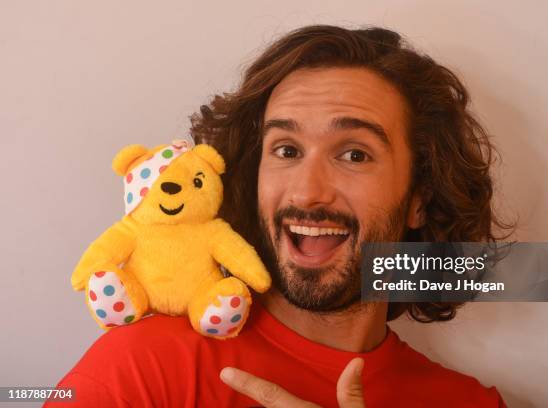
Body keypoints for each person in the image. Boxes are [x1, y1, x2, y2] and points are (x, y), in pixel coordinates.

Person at [47, 25, 510, 407]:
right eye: (286, 150)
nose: (308, 192)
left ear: (419, 200)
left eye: (354, 155)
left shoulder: (471, 403)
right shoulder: (139, 368)